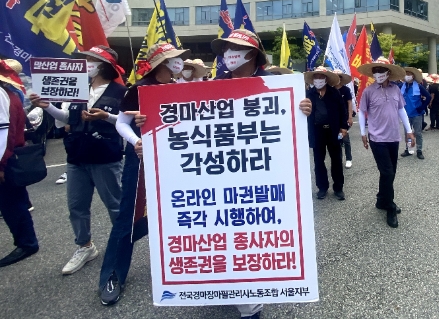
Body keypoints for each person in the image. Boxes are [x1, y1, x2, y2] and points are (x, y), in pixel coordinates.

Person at [134, 29, 312, 319]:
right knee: (225, 230)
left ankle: (252, 300)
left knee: (255, 232)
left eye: (234, 47)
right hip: (221, 175)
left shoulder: (277, 85)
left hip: (261, 175)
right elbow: (183, 127)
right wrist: (150, 129)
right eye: (226, 47)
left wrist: (303, 108)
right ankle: (229, 285)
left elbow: (291, 128)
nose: (228, 52)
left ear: (252, 53)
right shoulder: (214, 87)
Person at [98, 42, 190, 306]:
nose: (179, 63)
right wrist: (135, 141)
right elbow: (122, 122)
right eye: (174, 59)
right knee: (129, 215)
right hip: (141, 160)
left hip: (178, 160)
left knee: (180, 209)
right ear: (161, 62)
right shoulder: (139, 88)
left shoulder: (181, 87)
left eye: (179, 59)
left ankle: (192, 268)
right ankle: (112, 274)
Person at [31, 46, 126, 275]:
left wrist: (106, 116)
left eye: (90, 59)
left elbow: (127, 123)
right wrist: (49, 107)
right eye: (85, 59)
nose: (85, 62)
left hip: (106, 157)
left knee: (115, 205)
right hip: (76, 157)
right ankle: (85, 246)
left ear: (104, 65)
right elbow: (67, 117)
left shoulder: (120, 92)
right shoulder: (77, 87)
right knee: (77, 207)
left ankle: (121, 246)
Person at [357, 57, 414, 228]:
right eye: (375, 71)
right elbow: (361, 112)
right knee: (388, 172)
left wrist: (409, 130)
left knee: (390, 172)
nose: (378, 74)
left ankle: (381, 200)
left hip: (393, 137)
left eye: (381, 70)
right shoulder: (368, 91)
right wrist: (362, 133)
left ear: (388, 72)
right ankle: (390, 206)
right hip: (377, 138)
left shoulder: (396, 89)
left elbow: (401, 110)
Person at [0, 60, 39, 267]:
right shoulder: (11, 93)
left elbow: (3, 133)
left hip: (7, 157)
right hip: (10, 154)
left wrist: (1, 163)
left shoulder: (2, 94)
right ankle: (26, 240)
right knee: (16, 202)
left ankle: (26, 242)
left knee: (11, 204)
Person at [305, 67, 348, 200]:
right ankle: (322, 187)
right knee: (318, 161)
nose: (318, 80)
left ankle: (338, 188)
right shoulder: (308, 94)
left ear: (326, 79)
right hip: (317, 131)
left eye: (321, 77)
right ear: (312, 79)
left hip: (333, 130)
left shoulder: (334, 92)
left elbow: (343, 110)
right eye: (316, 77)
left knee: (336, 159)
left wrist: (343, 127)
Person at [400, 67, 431, 159]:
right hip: (406, 114)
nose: (407, 76)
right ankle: (408, 149)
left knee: (418, 133)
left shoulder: (418, 86)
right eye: (406, 74)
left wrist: (422, 107)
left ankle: (419, 150)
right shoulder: (402, 86)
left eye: (409, 74)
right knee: (407, 133)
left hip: (417, 114)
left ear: (413, 76)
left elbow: (428, 96)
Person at [333, 70, 355, 168]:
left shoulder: (345, 90)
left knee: (345, 139)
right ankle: (338, 159)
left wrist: (350, 117)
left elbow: (350, 103)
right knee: (336, 140)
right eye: (336, 76)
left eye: (339, 77)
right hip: (333, 118)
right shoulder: (331, 89)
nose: (338, 78)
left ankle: (349, 159)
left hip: (344, 118)